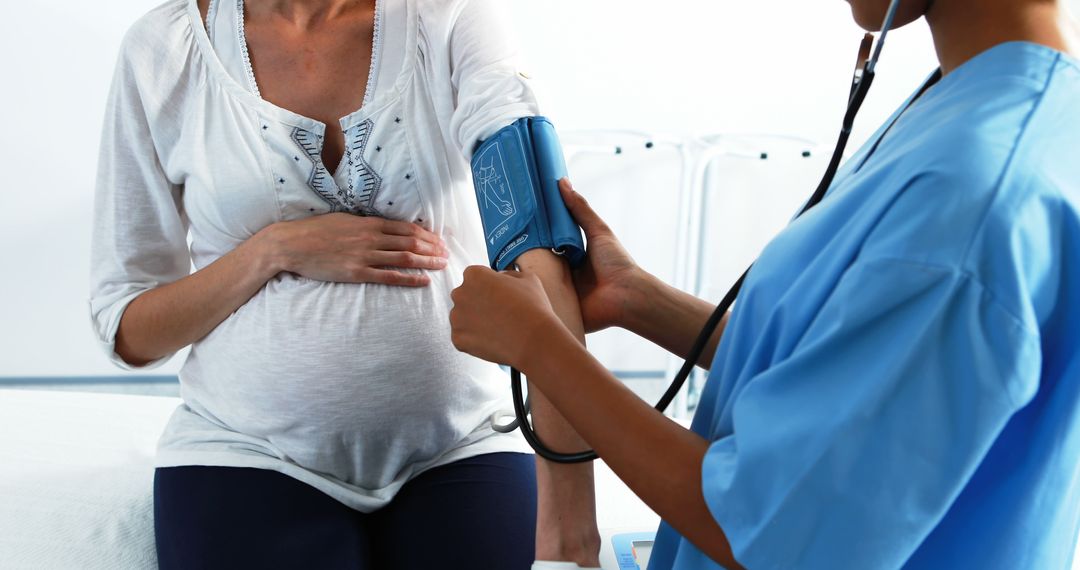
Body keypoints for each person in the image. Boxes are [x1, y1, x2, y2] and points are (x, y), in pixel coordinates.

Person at [448, 0, 1080, 567]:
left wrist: (539, 346)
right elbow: (857, 377)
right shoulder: (1000, 103)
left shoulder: (969, 197)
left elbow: (764, 532)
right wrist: (639, 298)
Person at [89, 0, 600, 567]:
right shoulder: (165, 50)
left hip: (461, 443)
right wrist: (272, 250)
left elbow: (540, 249)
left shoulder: (452, 18)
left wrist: (572, 535)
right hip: (246, 450)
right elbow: (130, 329)